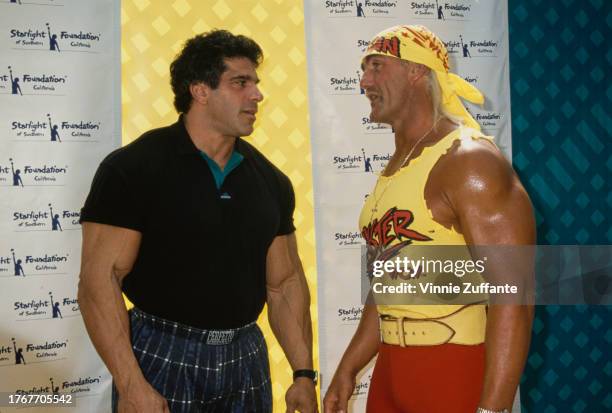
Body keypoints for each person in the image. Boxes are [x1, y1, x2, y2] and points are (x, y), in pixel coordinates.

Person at [78, 30, 317, 413]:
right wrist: (131, 385)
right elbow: (98, 282)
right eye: (240, 83)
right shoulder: (133, 169)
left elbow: (284, 283)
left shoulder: (271, 181)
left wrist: (303, 375)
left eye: (255, 83)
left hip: (246, 355)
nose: (257, 95)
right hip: (160, 352)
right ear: (200, 91)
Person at [323, 25, 535, 413]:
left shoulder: (470, 160)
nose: (363, 81)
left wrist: (492, 409)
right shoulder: (395, 169)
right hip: (390, 372)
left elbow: (515, 298)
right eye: (363, 69)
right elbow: (385, 285)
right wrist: (348, 368)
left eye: (376, 66)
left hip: (453, 369)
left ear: (417, 72)